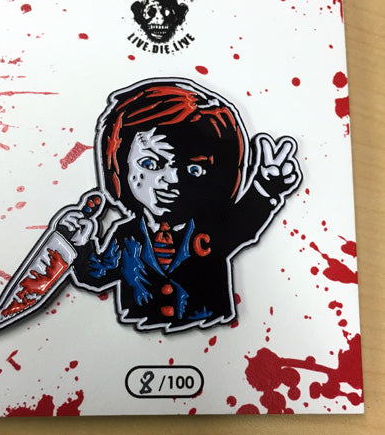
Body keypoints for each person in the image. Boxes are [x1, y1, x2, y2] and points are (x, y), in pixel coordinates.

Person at [60, 77, 302, 333]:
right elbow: (97, 275)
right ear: (120, 165)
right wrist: (78, 244)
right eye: (150, 164)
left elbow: (245, 222)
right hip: (138, 330)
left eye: (195, 169)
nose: (172, 180)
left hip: (210, 328)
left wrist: (266, 188)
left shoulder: (213, 228)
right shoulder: (126, 235)